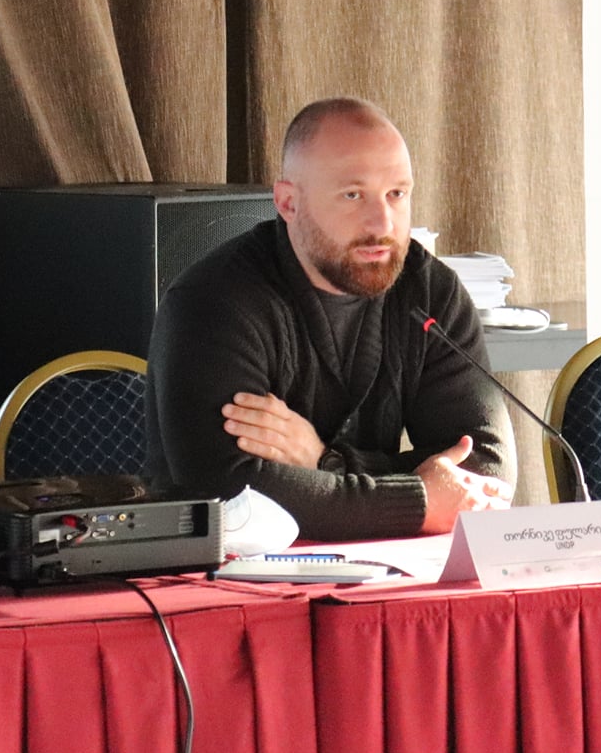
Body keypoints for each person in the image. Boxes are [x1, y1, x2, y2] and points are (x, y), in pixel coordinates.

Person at [145, 98, 513, 541]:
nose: (382, 223)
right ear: (288, 203)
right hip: (225, 572)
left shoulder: (431, 290)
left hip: (387, 564)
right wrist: (416, 500)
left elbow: (484, 471)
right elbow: (232, 491)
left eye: (396, 194)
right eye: (353, 195)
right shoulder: (213, 302)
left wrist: (326, 461)